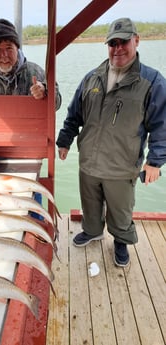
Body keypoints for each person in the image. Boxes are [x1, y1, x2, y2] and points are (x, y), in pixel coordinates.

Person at [56, 18, 166, 267]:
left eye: (123, 42)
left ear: (136, 40)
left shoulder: (152, 82)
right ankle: (93, 231)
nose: (118, 48)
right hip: (89, 163)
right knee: (90, 204)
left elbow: (162, 126)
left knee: (121, 209)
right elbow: (74, 114)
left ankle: (120, 241)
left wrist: (155, 161)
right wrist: (64, 141)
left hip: (122, 165)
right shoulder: (91, 78)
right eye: (112, 43)